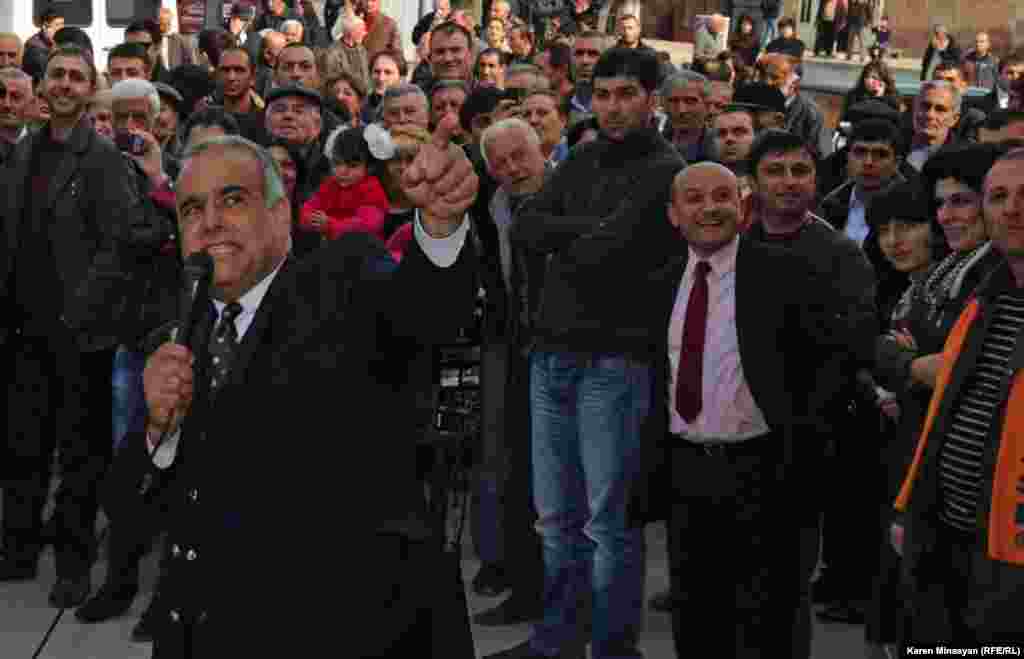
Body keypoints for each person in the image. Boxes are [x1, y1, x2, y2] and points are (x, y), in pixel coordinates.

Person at [102, 113, 479, 656]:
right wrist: (159, 432)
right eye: (191, 209)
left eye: (232, 200)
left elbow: (428, 312)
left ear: (281, 214)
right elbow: (130, 511)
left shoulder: (343, 280)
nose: (209, 222)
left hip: (343, 630)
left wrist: (440, 229)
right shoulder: (178, 334)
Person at [487, 46, 685, 659]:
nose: (613, 107)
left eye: (627, 94)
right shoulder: (584, 157)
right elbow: (526, 229)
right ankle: (557, 640)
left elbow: (613, 246)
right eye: (602, 95)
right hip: (553, 356)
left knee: (607, 522)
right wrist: (586, 232)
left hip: (616, 361)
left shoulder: (665, 168)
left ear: (652, 100)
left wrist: (571, 235)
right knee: (556, 519)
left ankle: (610, 647)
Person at [627, 160, 869, 659]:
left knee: (772, 621)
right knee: (697, 618)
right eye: (694, 199)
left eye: (721, 196)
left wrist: (804, 450)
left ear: (743, 208)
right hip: (688, 472)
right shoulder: (658, 282)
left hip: (770, 471)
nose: (709, 208)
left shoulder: (788, 273)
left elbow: (832, 363)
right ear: (674, 214)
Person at [0, 46, 172, 609]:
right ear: (43, 87)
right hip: (23, 330)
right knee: (23, 447)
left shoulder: (101, 159)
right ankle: (18, 549)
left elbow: (122, 244)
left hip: (80, 333)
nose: (66, 85)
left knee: (80, 456)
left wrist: (82, 306)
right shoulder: (22, 153)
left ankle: (73, 564)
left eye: (77, 77)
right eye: (58, 76)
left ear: (89, 86)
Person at [892, 145, 1024, 648]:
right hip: (950, 540)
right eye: (999, 196)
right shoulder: (984, 297)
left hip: (1009, 562)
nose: (1012, 208)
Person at [300, 124, 391, 241]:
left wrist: (331, 225)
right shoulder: (331, 185)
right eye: (337, 163)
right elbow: (310, 207)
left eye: (352, 165)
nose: (342, 171)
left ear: (369, 167)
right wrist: (312, 220)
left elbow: (367, 225)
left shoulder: (371, 189)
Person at [22, 8, 64, 83]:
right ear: (45, 27)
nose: (61, 29)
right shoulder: (34, 48)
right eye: (57, 25)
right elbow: (48, 73)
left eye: (62, 25)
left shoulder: (55, 43)